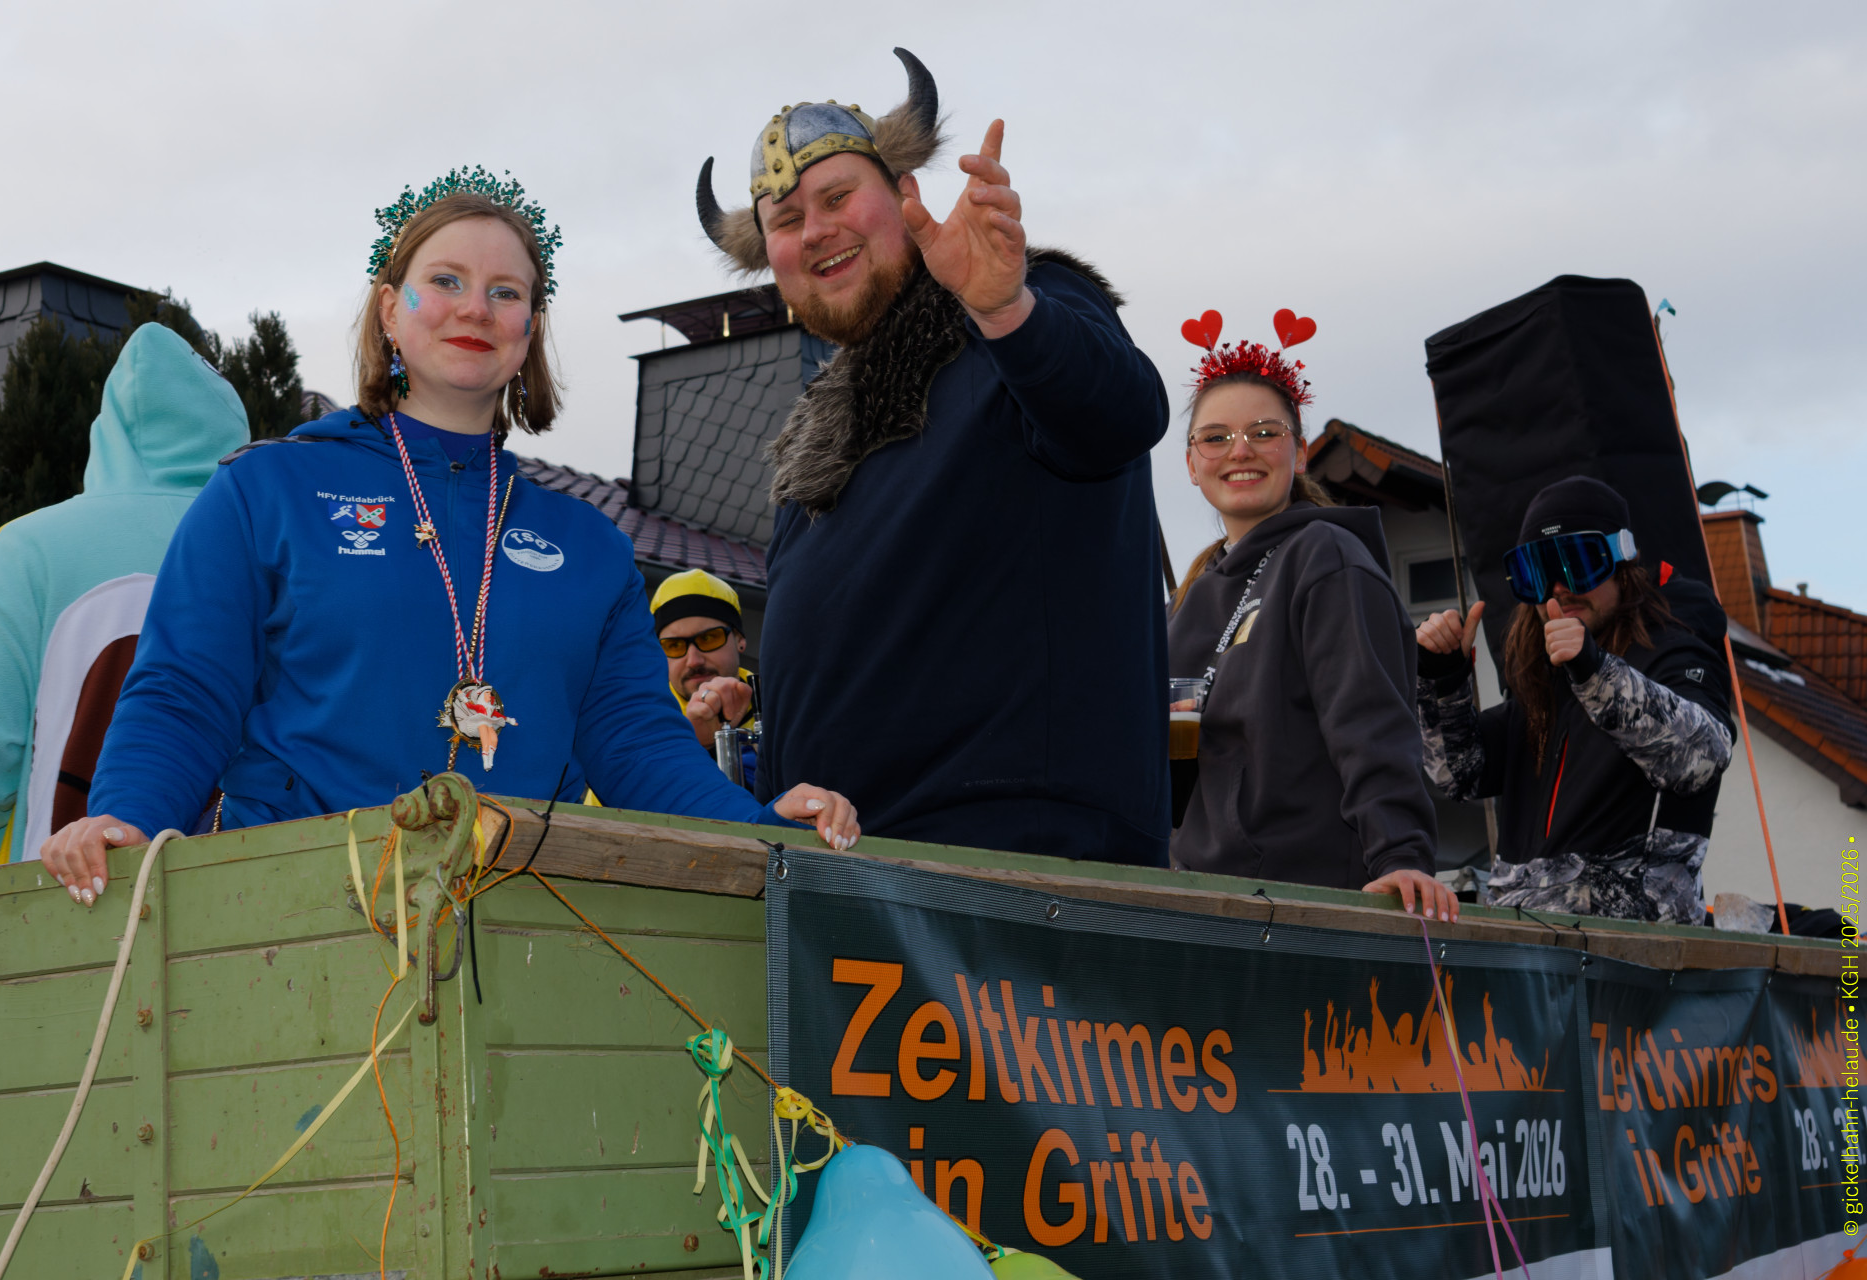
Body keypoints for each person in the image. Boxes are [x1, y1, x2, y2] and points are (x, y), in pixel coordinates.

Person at [40, 167, 858, 908]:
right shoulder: (267, 491)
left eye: (506, 292)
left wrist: (762, 829)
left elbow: (638, 747)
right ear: (390, 310)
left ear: (529, 330)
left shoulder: (589, 546)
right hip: (294, 911)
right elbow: (186, 691)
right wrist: (126, 817)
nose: (475, 308)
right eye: (446, 281)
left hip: (523, 924)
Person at [695, 49, 1172, 864]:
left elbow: (1121, 415)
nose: (816, 231)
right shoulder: (814, 438)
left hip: (1019, 864)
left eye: (837, 197)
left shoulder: (1019, 310)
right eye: (786, 221)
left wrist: (1007, 309)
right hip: (847, 870)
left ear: (906, 193)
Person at [1166, 318, 1457, 921]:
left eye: (1263, 432)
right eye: (1216, 437)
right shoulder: (1188, 599)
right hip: (1202, 902)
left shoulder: (1327, 557)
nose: (1239, 450)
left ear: (1299, 453)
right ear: (1192, 464)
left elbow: (1369, 718)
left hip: (1309, 903)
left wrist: (1400, 853)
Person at [0, 324, 248, 869]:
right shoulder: (270, 547)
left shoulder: (29, 547)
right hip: (245, 884)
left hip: (57, 891)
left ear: (109, 429)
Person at [1415, 476, 1733, 924]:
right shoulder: (1545, 677)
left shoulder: (1674, 647)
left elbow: (1703, 756)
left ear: (1622, 561)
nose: (1559, 588)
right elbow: (1458, 775)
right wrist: (1444, 679)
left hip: (1628, 948)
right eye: (1538, 571)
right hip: (1524, 939)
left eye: (1579, 563)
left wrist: (1594, 671)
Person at [651, 568, 758, 786]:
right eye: (674, 645)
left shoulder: (783, 708)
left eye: (709, 638)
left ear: (739, 639)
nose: (693, 661)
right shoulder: (640, 725)